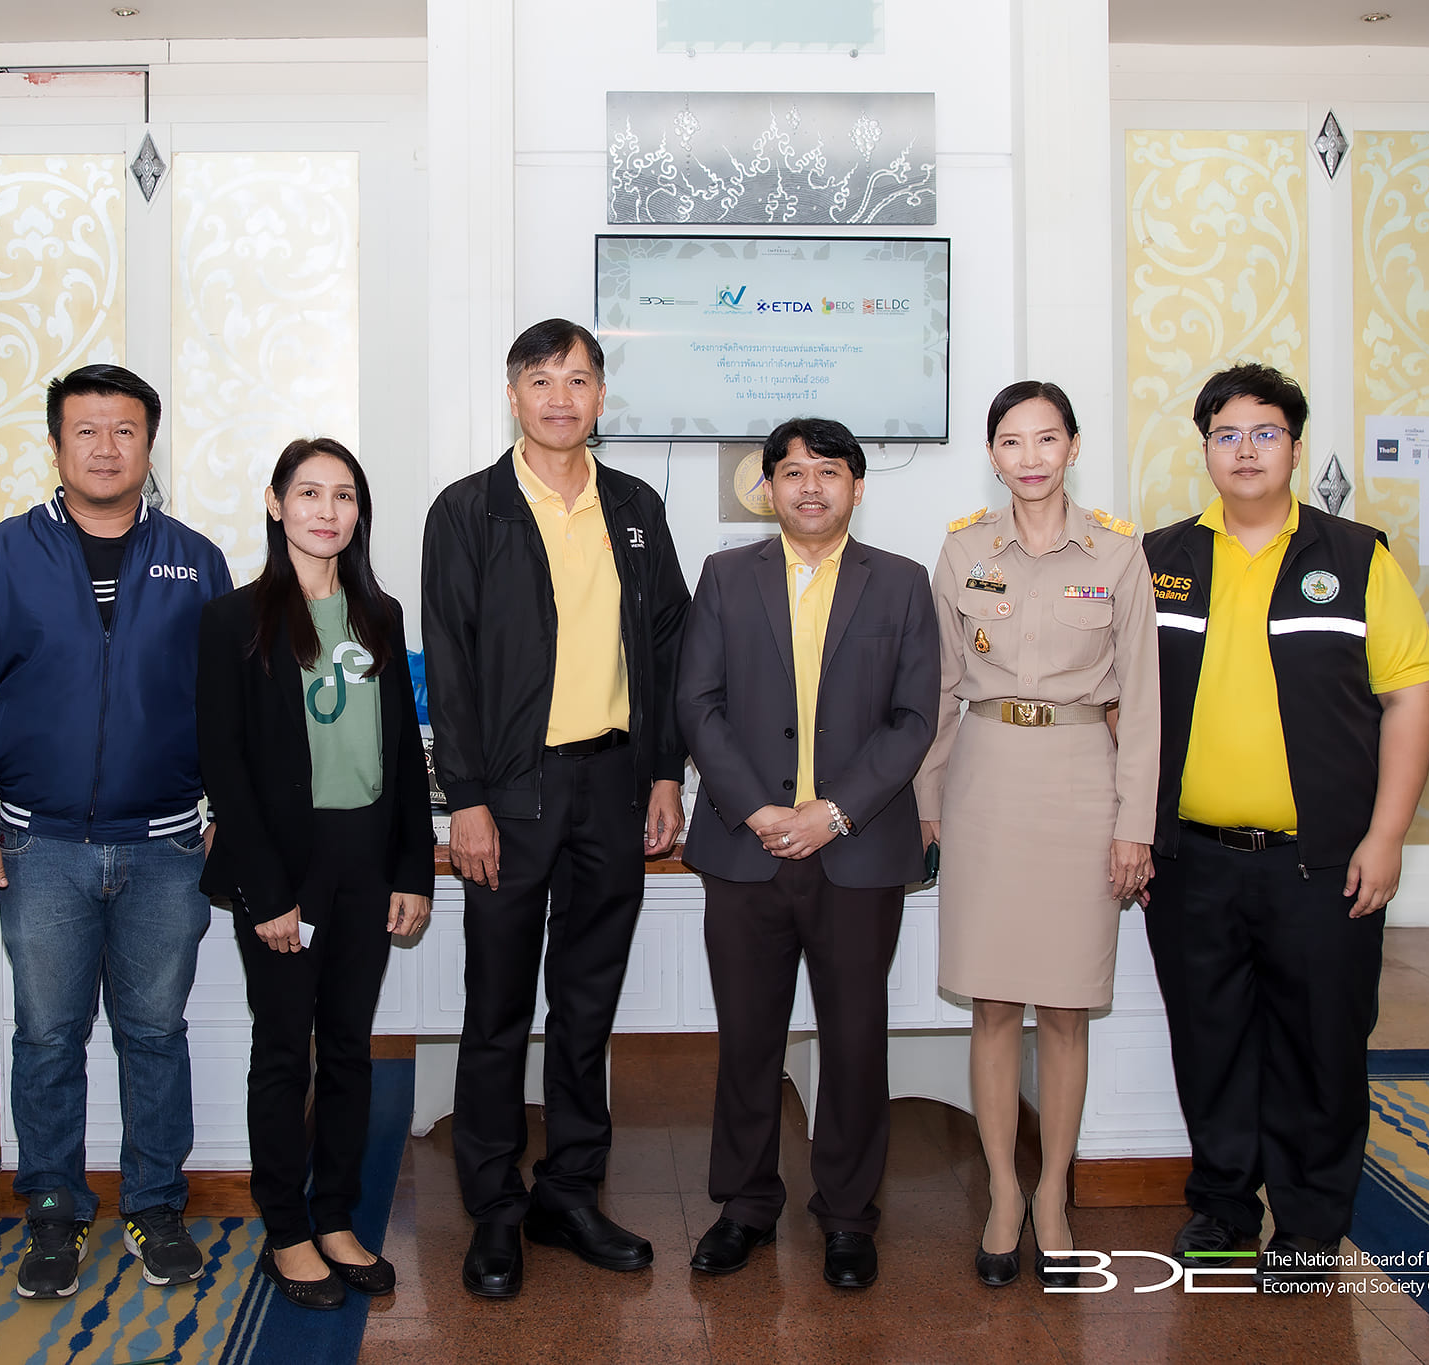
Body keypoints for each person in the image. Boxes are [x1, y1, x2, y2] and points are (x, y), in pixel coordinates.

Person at [0, 363, 233, 1300]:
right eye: (87, 431)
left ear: (150, 443)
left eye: (125, 431)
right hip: (40, 846)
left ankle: (155, 1205)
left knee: (154, 1033)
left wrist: (229, 811)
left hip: (167, 848)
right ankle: (53, 1210)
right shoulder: (0, 557)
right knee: (47, 1038)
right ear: (56, 444)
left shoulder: (196, 559)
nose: (106, 448)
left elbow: (227, 706)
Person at [1143, 363, 1429, 1284]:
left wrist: (1386, 835)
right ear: (1205, 451)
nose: (1246, 450)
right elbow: (1120, 697)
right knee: (1210, 1041)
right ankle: (1224, 1207)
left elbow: (1412, 694)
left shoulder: (1355, 557)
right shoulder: (1159, 560)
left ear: (1296, 448)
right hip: (1191, 860)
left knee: (1322, 1047)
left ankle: (1310, 1225)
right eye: (1226, 435)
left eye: (1264, 433)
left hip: (1322, 863)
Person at [422, 318, 690, 1299]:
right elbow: (449, 664)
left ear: (600, 397)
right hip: (510, 792)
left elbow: (667, 643)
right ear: (513, 395)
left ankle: (569, 1191)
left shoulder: (634, 507)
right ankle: (494, 1207)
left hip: (612, 787)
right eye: (541, 380)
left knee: (586, 1005)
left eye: (578, 380)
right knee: (496, 1007)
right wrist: (466, 799)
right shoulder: (469, 510)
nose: (560, 397)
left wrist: (664, 774)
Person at [677, 417, 939, 1288]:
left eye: (829, 471)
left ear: (857, 487)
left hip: (855, 852)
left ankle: (849, 1214)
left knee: (856, 1038)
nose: (811, 486)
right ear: (770, 489)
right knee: (747, 1037)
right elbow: (698, 703)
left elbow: (914, 718)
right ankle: (745, 1204)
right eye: (793, 472)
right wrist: (756, 808)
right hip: (746, 848)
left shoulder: (901, 582)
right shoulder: (725, 576)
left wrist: (836, 811)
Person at [913, 381, 1160, 1288]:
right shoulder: (963, 549)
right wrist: (928, 801)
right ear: (993, 454)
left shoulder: (1118, 553)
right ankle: (1002, 1192)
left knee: (1063, 1007)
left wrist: (1136, 823)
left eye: (1046, 438)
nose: (1030, 457)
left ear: (1072, 446)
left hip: (1082, 781)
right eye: (1012, 441)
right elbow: (941, 687)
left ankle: (1052, 1192)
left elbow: (1144, 701)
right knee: (990, 1004)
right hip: (985, 780)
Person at [197, 438, 436, 1310]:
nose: (327, 511)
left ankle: (334, 1216)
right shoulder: (234, 619)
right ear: (275, 503)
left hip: (366, 856)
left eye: (343, 495)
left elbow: (403, 752)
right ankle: (286, 1229)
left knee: (347, 1048)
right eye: (309, 493)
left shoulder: (381, 615)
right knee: (281, 1051)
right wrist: (265, 890)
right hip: (283, 865)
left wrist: (413, 867)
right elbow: (223, 763)